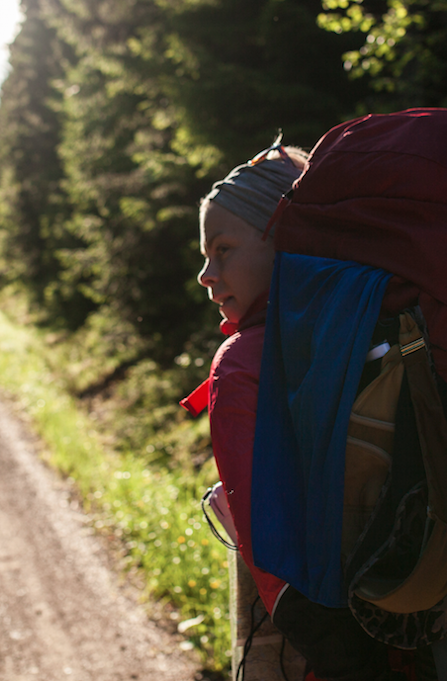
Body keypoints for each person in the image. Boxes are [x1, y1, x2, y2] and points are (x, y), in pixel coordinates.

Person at [185, 141, 406, 681]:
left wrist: (351, 666)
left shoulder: (242, 366)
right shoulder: (381, 317)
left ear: (282, 237)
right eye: (204, 256)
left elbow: (277, 565)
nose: (205, 275)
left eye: (224, 249)